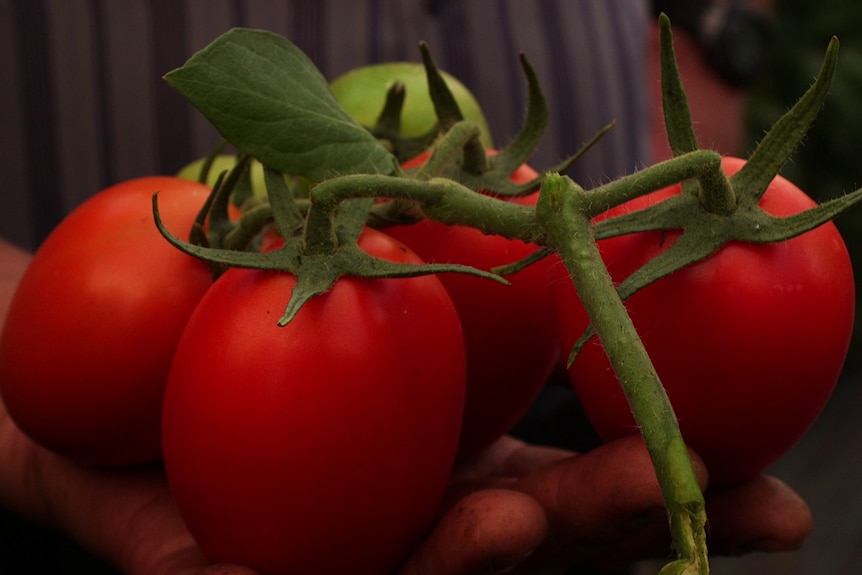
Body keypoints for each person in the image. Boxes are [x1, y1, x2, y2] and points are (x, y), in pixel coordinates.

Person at [0, 1, 813, 574]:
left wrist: (715, 34)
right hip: (101, 441)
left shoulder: (404, 260)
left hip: (579, 355)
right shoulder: (253, 270)